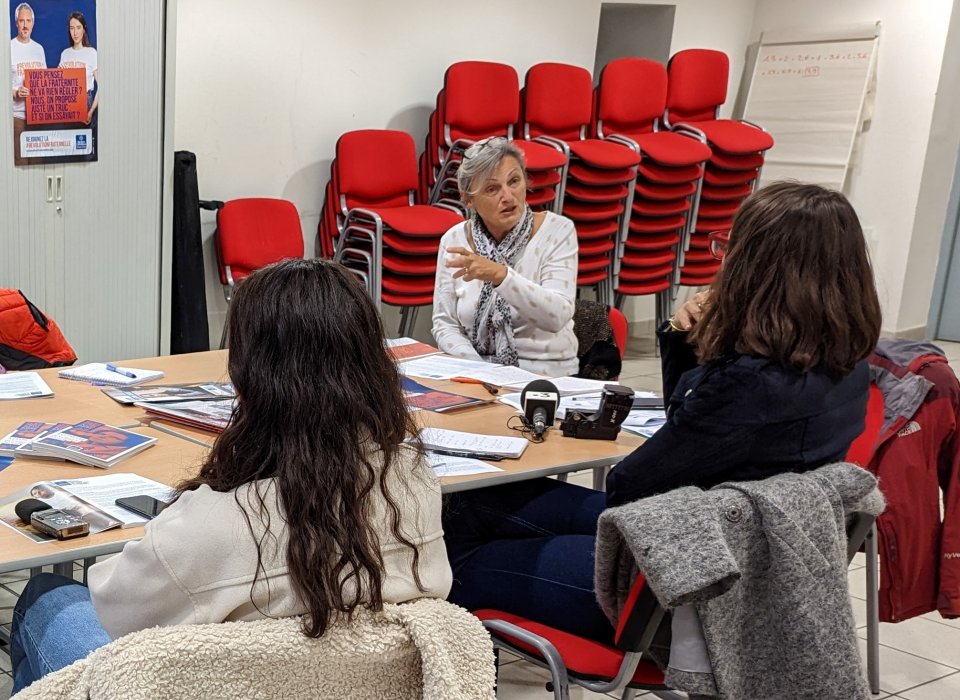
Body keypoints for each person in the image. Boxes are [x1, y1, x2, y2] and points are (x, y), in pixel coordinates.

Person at [442, 181, 883, 642]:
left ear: (759, 268)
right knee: (474, 503)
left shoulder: (749, 385)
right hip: (724, 552)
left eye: (731, 249)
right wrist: (683, 337)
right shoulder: (846, 365)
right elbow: (684, 428)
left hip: (677, 588)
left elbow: (628, 486)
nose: (723, 261)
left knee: (450, 560)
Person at [10, 259, 453, 693]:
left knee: (46, 597)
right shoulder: (413, 480)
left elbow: (118, 613)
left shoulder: (212, 525)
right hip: (352, 683)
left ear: (248, 377)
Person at [432, 136, 579, 376]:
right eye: (492, 189)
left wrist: (501, 276)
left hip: (547, 376)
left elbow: (557, 316)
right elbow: (444, 325)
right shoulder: (453, 240)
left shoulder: (558, 231)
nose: (508, 197)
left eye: (514, 181)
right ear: (468, 198)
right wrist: (482, 372)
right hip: (480, 376)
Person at [9, 2, 46, 166]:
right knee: (20, 163)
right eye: (22, 21)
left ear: (33, 23)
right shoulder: (7, 48)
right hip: (18, 117)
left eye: (28, 21)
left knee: (38, 163)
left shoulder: (39, 49)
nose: (25, 26)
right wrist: (16, 92)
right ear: (16, 22)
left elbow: (45, 81)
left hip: (37, 118)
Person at [58, 11, 98, 132]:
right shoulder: (65, 54)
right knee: (68, 145)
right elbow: (56, 81)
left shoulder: (91, 53)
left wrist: (91, 111)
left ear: (84, 29)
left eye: (78, 28)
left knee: (84, 145)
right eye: (72, 28)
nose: (75, 32)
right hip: (67, 103)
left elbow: (103, 87)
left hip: (85, 102)